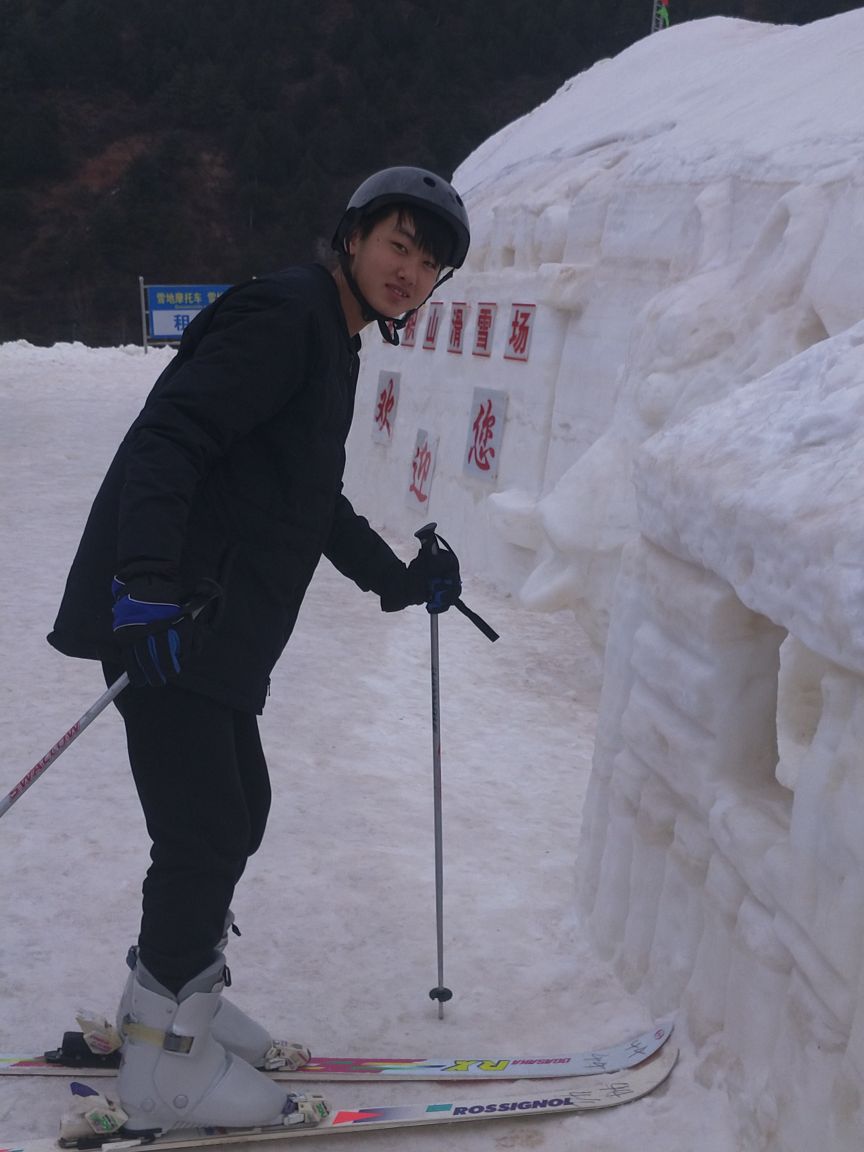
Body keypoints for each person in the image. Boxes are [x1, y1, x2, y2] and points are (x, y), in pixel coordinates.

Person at [47, 166, 470, 1135]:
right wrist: (144, 584)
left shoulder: (334, 340)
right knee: (206, 827)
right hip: (171, 617)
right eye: (400, 243)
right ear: (354, 235)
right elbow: (172, 436)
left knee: (235, 812)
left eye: (432, 261)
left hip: (213, 625)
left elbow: (307, 498)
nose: (413, 269)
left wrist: (398, 578)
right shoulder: (287, 315)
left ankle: (165, 1002)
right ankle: (167, 1067)